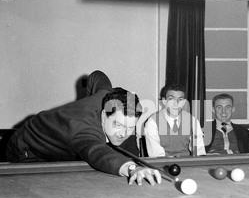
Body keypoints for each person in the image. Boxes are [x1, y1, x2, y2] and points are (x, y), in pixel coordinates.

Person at [6, 70, 161, 186]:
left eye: (130, 127)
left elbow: (97, 76)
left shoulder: (106, 95)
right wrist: (132, 168)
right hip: (27, 148)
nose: (123, 133)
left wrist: (86, 101)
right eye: (118, 125)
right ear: (103, 116)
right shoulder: (84, 131)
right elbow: (97, 152)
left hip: (64, 141)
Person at [144, 84, 206, 157]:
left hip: (186, 163)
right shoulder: (152, 122)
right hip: (164, 164)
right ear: (164, 101)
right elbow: (156, 154)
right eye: (171, 99)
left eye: (180, 99)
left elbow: (199, 150)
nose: (176, 103)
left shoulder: (192, 120)